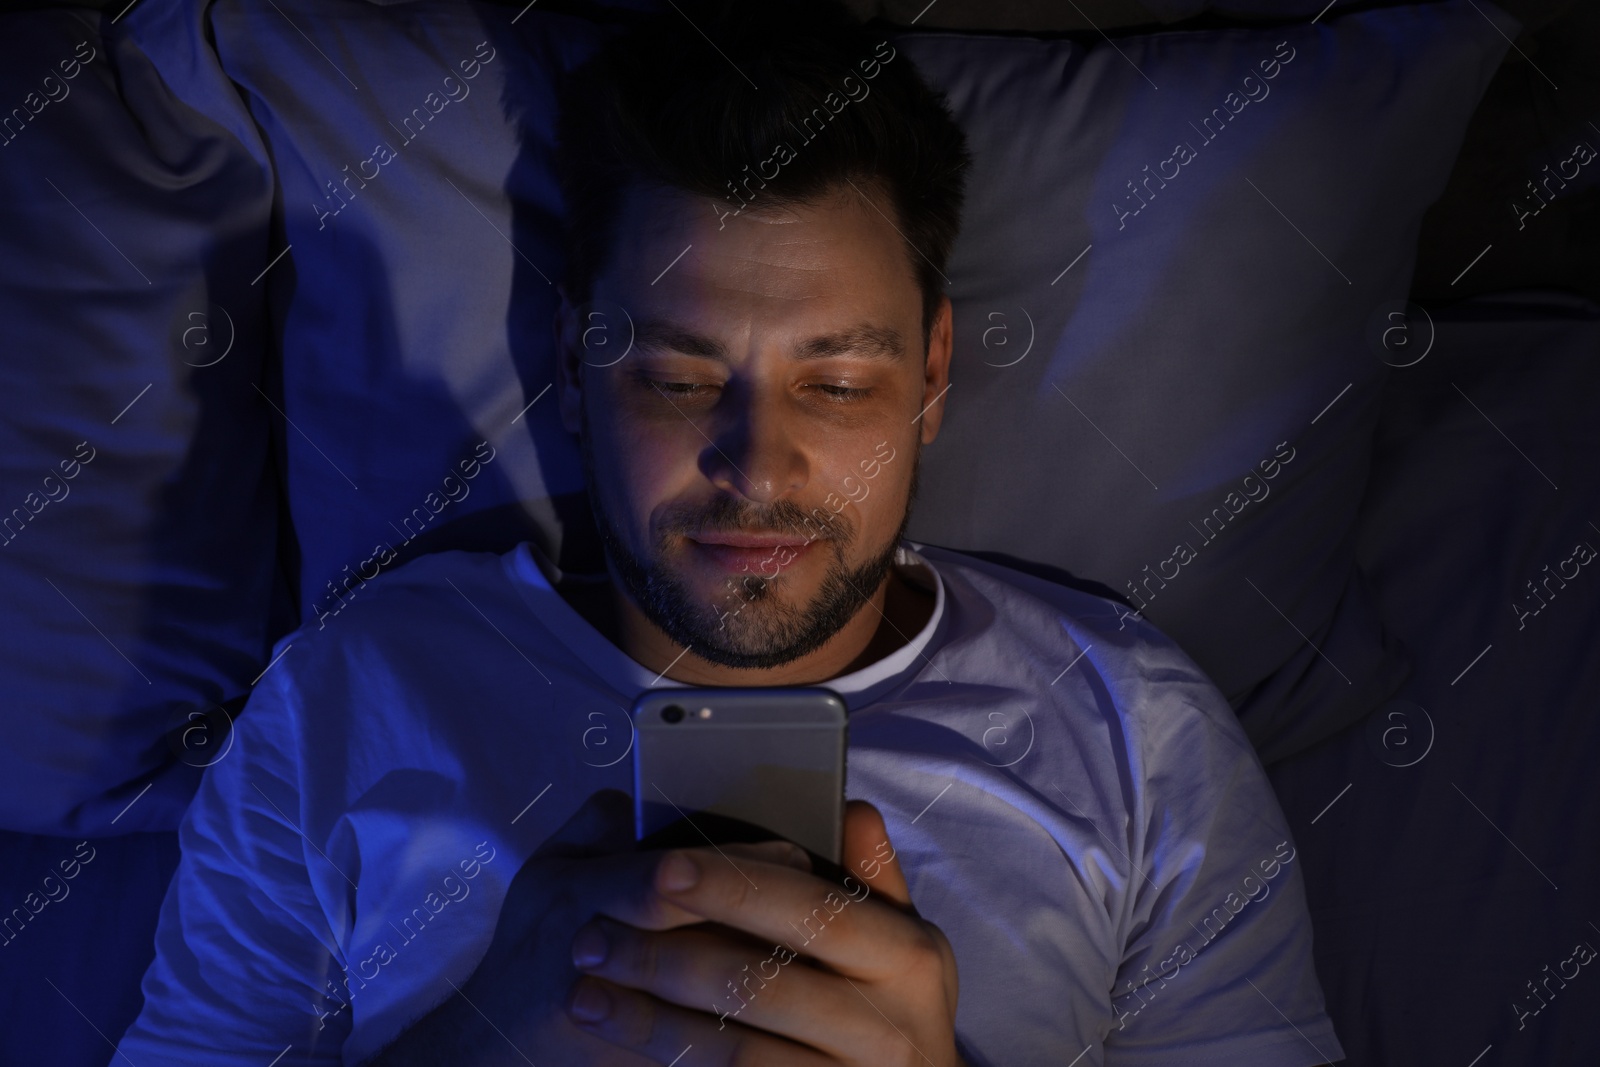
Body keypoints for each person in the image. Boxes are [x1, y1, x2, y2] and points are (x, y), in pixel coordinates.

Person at [114, 1, 1344, 1063]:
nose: (755, 468)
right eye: (679, 378)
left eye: (840, 384)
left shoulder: (1136, 737)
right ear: (576, 368)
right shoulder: (346, 697)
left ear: (930, 376)